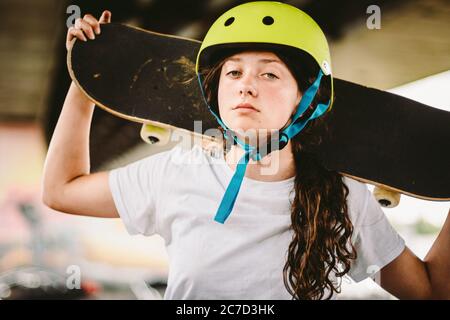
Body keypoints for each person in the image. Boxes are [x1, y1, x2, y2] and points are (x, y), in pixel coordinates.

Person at [42, 2, 449, 300]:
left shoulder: (343, 198)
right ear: (214, 93)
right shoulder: (176, 172)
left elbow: (429, 290)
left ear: (304, 100)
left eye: (269, 73)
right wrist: (87, 83)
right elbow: (61, 191)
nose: (245, 85)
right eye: (233, 72)